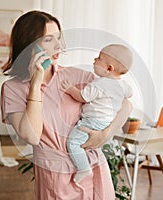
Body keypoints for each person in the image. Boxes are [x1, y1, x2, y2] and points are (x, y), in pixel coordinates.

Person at [0, 10, 132, 199]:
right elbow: (31, 135)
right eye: (48, 40)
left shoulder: (76, 76)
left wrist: (105, 134)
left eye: (58, 38)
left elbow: (126, 104)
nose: (58, 46)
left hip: (93, 169)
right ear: (28, 45)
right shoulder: (12, 89)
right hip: (55, 176)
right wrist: (35, 84)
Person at [61, 44, 133, 183]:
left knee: (73, 142)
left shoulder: (99, 84)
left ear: (109, 68)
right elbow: (129, 94)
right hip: (107, 122)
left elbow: (82, 97)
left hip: (92, 121)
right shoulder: (124, 85)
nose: (94, 60)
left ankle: (83, 168)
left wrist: (70, 89)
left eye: (99, 58)